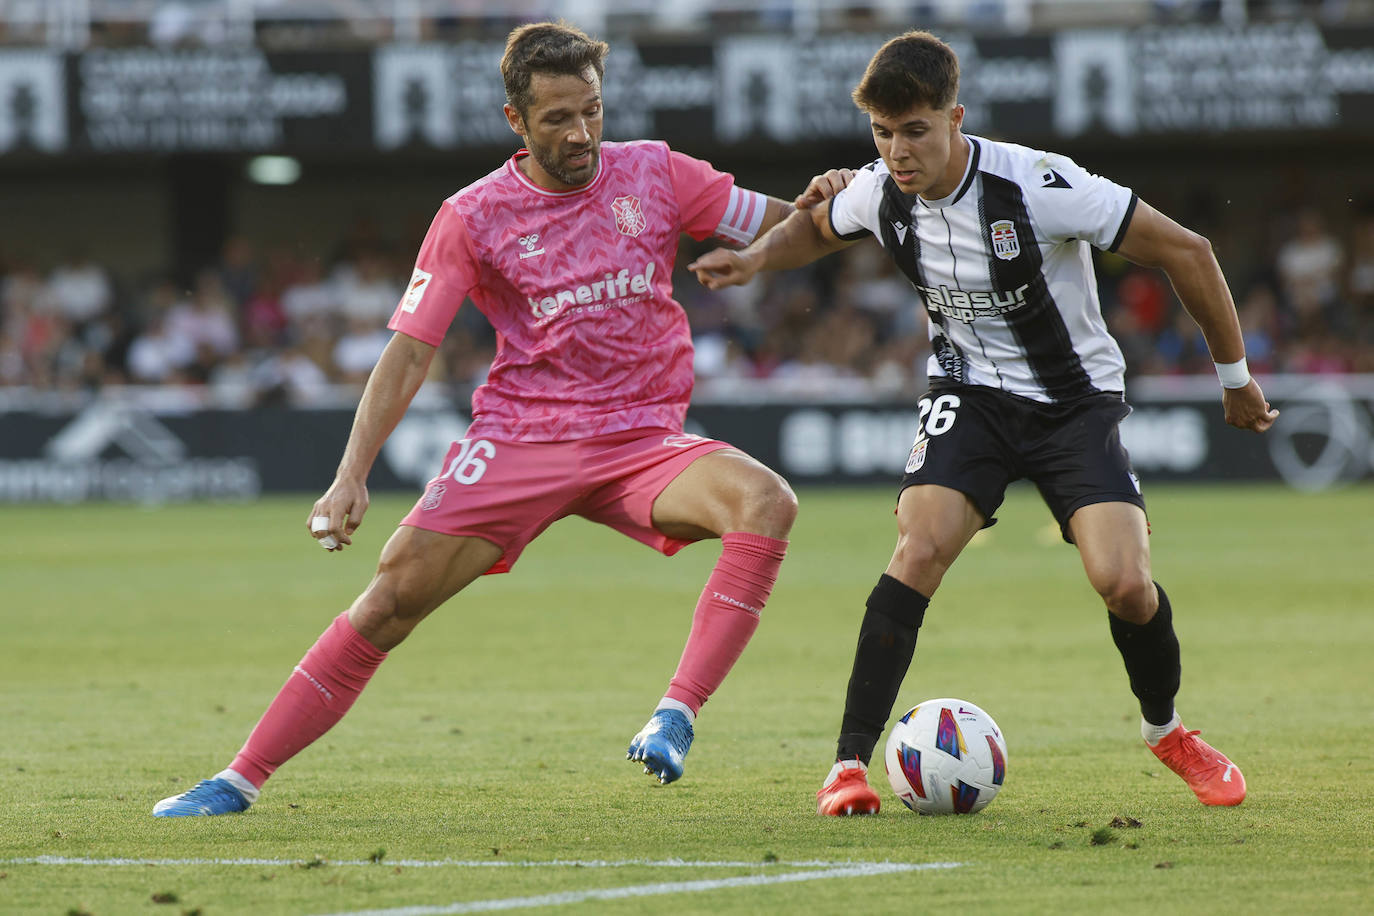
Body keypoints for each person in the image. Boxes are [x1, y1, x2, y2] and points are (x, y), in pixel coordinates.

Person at [153, 21, 848, 817]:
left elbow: (790, 226)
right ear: (516, 120)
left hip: (642, 440)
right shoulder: (474, 215)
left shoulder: (655, 172)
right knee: (387, 603)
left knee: (769, 502)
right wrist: (350, 475)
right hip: (521, 441)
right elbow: (411, 350)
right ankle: (238, 779)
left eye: (591, 109)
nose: (581, 131)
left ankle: (674, 716)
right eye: (557, 117)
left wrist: (839, 200)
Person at [690, 30, 1278, 815]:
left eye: (916, 131)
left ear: (955, 117)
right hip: (969, 396)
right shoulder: (879, 188)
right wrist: (757, 259)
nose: (898, 152)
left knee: (1125, 584)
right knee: (919, 545)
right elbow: (818, 225)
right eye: (883, 134)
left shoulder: (1038, 184)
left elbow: (1189, 250)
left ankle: (1168, 732)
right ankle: (847, 767)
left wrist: (1234, 379)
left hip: (1074, 404)